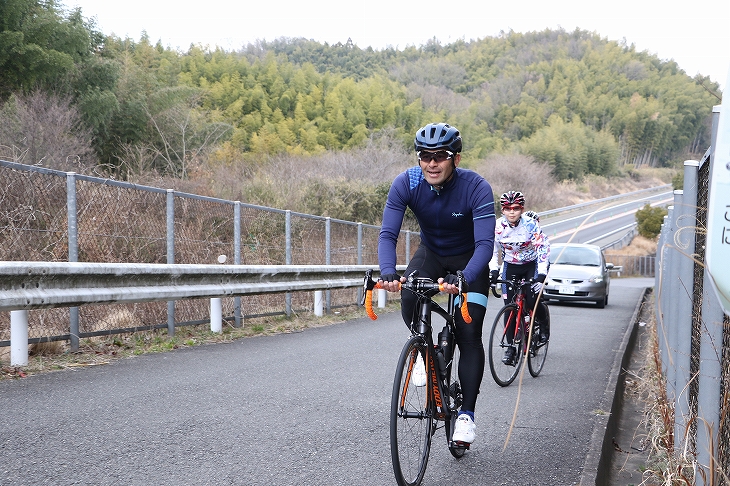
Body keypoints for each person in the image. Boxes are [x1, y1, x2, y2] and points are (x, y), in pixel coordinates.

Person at [378, 122, 496, 445]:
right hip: (431, 253)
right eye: (425, 155)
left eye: (440, 155)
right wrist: (388, 271)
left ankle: (467, 415)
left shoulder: (476, 187)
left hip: (470, 261)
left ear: (455, 158)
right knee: (408, 296)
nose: (432, 163)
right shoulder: (408, 182)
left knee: (469, 332)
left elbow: (486, 245)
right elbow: (388, 234)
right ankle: (424, 352)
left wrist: (466, 276)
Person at [489, 191, 550, 366]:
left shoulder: (530, 225)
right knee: (509, 308)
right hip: (510, 265)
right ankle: (510, 348)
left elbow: (543, 248)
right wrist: (493, 272)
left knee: (532, 301)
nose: (512, 212)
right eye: (508, 208)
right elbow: (491, 250)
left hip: (531, 264)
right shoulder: (497, 227)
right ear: (503, 210)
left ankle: (543, 323)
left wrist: (541, 274)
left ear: (521, 209)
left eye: (515, 208)